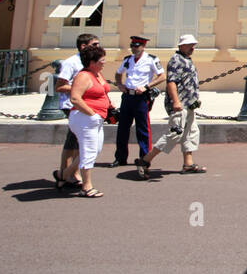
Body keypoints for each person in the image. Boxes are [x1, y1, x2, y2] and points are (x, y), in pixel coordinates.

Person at [138, 34, 204, 178]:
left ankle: (188, 164)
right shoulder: (176, 60)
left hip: (189, 104)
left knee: (190, 133)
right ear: (181, 46)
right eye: (189, 45)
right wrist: (176, 101)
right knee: (174, 134)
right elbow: (171, 82)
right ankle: (145, 160)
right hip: (179, 104)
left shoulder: (186, 60)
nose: (192, 47)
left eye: (193, 45)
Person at [63, 43, 112, 198]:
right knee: (89, 152)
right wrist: (92, 113)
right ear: (92, 62)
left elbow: (102, 92)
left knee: (94, 150)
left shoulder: (97, 74)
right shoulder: (83, 76)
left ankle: (65, 173)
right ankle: (86, 186)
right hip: (84, 118)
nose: (104, 62)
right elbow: (75, 98)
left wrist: (110, 106)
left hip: (96, 119)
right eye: (101, 60)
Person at [52, 33, 97, 191]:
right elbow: (59, 86)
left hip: (83, 104)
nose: (98, 47)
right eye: (95, 44)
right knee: (74, 140)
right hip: (71, 104)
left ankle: (70, 174)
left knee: (75, 140)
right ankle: (65, 173)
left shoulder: (89, 62)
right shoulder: (71, 62)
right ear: (84, 46)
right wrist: (80, 87)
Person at [111, 35, 163, 167]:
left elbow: (162, 76)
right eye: (132, 45)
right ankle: (120, 157)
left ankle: (144, 158)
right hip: (128, 96)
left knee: (143, 129)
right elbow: (118, 73)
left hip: (141, 97)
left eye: (136, 45)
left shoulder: (151, 59)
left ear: (143, 46)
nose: (133, 48)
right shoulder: (128, 59)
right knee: (122, 128)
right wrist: (119, 84)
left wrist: (146, 87)